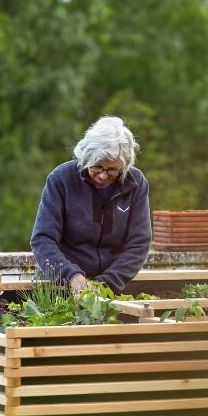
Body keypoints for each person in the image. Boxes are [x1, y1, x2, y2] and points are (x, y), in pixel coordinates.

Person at [30, 116, 151, 293]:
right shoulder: (61, 179)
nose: (103, 176)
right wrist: (71, 276)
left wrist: (105, 285)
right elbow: (43, 239)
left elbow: (138, 244)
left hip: (113, 290)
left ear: (123, 166)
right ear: (85, 157)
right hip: (60, 288)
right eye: (97, 167)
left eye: (112, 170)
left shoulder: (136, 183)